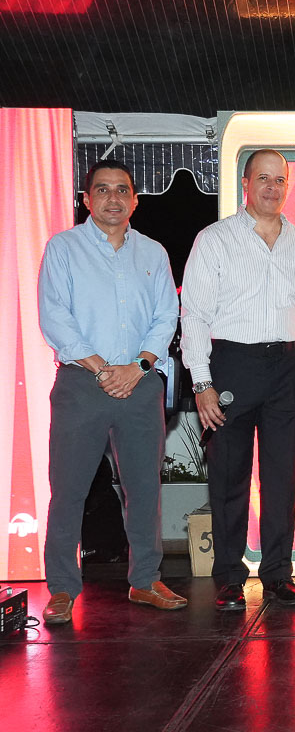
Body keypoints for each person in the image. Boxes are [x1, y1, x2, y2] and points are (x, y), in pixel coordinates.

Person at [180, 149, 295, 611]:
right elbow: (195, 313)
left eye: (279, 179)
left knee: (282, 476)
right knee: (229, 475)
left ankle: (279, 575)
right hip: (231, 364)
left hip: (287, 366)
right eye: (262, 178)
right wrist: (202, 381)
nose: (271, 187)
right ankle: (229, 577)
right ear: (245, 184)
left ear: (288, 184)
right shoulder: (215, 239)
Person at [38, 159, 186, 625]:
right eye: (102, 189)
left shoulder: (153, 253)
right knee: (69, 491)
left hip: (140, 383)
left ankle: (145, 580)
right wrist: (104, 369)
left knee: (144, 489)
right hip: (83, 383)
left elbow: (166, 316)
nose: (113, 198)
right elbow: (54, 316)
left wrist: (138, 366)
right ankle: (62, 588)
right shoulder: (63, 248)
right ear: (87, 199)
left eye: (122, 190)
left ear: (135, 201)